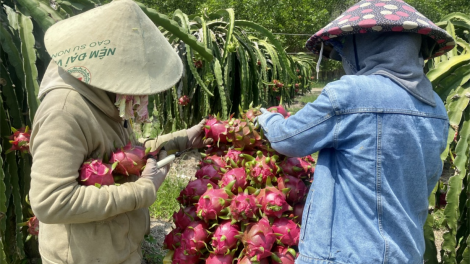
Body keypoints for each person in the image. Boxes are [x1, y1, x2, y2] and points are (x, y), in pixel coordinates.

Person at [257, 0, 455, 263]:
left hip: (346, 254)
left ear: (364, 46)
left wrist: (268, 120)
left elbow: (287, 140)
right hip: (407, 253)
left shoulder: (350, 94)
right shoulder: (436, 106)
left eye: (347, 48)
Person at [29, 0, 208, 263]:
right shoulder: (65, 112)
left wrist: (181, 140)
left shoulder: (104, 96)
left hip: (116, 250)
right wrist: (145, 189)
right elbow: (51, 202)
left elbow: (126, 156)